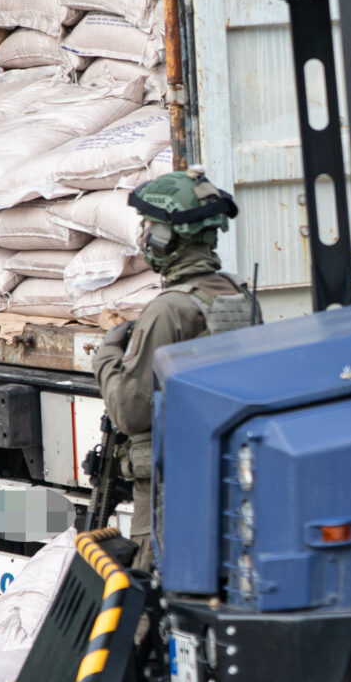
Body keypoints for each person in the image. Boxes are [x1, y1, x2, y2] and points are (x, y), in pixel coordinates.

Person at [91, 170, 256, 560]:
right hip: (223, 474)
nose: (146, 236)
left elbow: (131, 412)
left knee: (153, 597)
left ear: (168, 238)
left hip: (169, 488)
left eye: (151, 227)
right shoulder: (239, 296)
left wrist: (107, 356)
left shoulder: (169, 311)